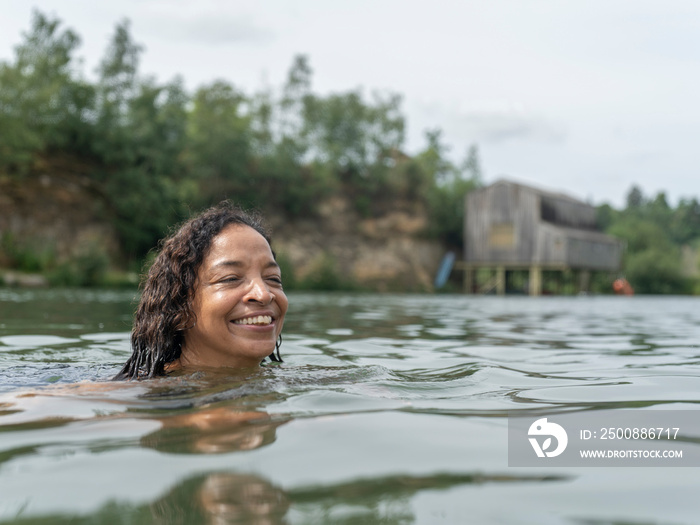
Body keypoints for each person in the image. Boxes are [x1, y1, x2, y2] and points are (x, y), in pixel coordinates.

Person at [114, 202, 288, 380]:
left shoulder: (296, 381)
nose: (264, 294)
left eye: (273, 278)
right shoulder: (130, 396)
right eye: (230, 279)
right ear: (179, 307)